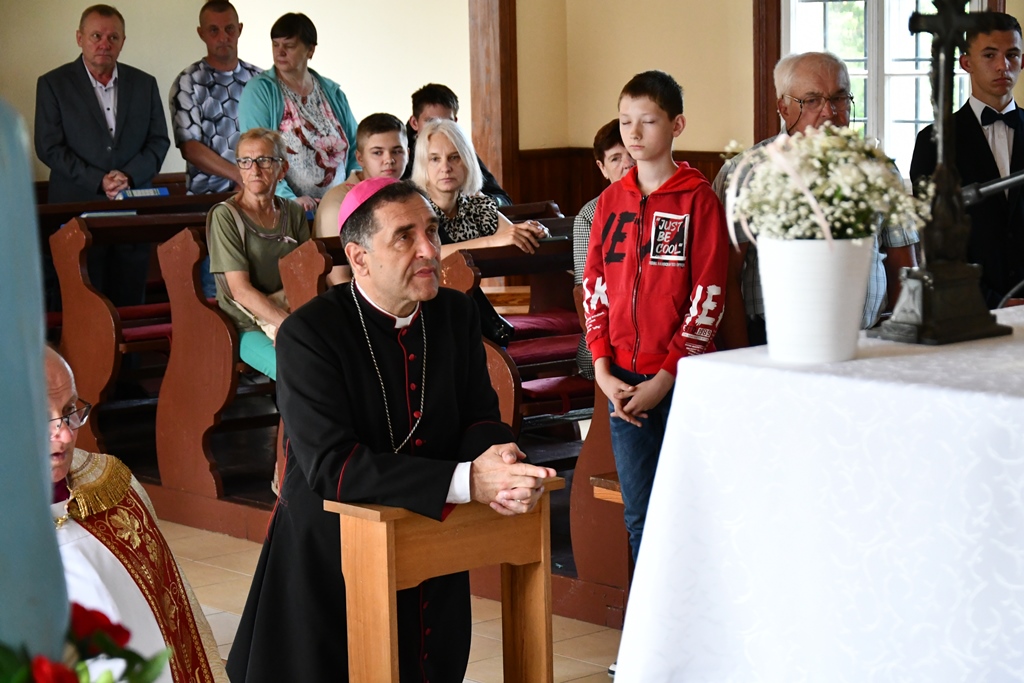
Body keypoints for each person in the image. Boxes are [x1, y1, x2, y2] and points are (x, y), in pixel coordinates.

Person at [226, 178, 556, 682]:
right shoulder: (309, 334)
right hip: (333, 552)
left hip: (431, 536)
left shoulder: (455, 313)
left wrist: (500, 460)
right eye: (405, 236)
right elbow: (332, 468)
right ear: (359, 257)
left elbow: (480, 417)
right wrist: (469, 480)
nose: (429, 250)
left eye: (432, 231)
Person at [582, 70, 729, 566]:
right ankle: (649, 617)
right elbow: (595, 288)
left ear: (676, 125)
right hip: (623, 385)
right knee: (640, 515)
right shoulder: (609, 202)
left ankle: (694, 610)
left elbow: (708, 295)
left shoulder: (697, 199)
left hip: (682, 380)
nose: (634, 133)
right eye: (626, 121)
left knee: (692, 512)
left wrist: (666, 377)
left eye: (648, 121)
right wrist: (603, 370)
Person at [713, 51, 919, 348]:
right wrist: (740, 359)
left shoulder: (879, 169)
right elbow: (725, 276)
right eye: (812, 100)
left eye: (839, 98)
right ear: (783, 107)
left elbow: (904, 267)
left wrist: (902, 345)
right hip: (774, 344)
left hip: (866, 342)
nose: (829, 112)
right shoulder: (746, 172)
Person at [45, 347, 227, 683]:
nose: (66, 434)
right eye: (43, 417)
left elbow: (172, 615)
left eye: (70, 411)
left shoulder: (112, 486)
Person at [35, 4, 170, 307]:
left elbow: (159, 141)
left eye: (113, 37)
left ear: (123, 42)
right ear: (79, 38)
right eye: (96, 36)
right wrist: (99, 180)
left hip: (132, 215)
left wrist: (128, 176)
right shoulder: (53, 84)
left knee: (130, 306)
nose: (104, 44)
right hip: (76, 215)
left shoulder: (144, 84)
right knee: (81, 309)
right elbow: (49, 146)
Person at [910, 11, 1024, 309]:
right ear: (966, 63)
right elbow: (933, 241)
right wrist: (995, 302)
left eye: (1012, 55)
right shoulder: (934, 141)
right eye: (990, 55)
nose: (1003, 66)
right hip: (966, 308)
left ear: (1022, 61)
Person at [169, 0, 262, 297]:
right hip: (209, 205)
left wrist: (253, 179)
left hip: (260, 204)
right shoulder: (188, 82)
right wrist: (238, 175)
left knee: (264, 286)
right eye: (214, 30)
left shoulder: (260, 81)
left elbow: (275, 139)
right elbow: (190, 147)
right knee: (217, 293)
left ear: (240, 30)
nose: (223, 37)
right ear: (201, 33)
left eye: (229, 29)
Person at [207, 128, 309, 380]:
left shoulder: (293, 213)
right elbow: (240, 290)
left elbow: (306, 277)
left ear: (282, 169)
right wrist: (286, 325)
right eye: (245, 161)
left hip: (292, 312)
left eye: (264, 160)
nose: (254, 169)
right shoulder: (225, 215)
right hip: (246, 324)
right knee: (299, 373)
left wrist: (297, 323)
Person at [237, 12, 358, 214]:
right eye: (275, 45)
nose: (280, 52)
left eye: (290, 46)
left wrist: (352, 191)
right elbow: (257, 154)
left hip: (339, 208)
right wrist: (290, 200)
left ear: (310, 50)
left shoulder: (332, 92)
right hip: (286, 210)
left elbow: (356, 146)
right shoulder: (259, 91)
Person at [411, 118, 547, 259]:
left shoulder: (477, 206)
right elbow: (430, 254)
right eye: (435, 159)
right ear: (423, 164)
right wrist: (492, 241)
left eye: (454, 157)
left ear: (467, 161)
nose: (445, 168)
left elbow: (514, 237)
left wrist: (535, 232)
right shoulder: (416, 209)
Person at [573, 119, 635, 380]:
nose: (627, 164)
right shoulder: (590, 214)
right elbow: (586, 290)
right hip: (605, 334)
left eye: (631, 154)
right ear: (602, 168)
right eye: (615, 158)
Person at [401, 82, 513, 206]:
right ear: (414, 123)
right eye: (435, 159)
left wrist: (485, 202)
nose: (440, 127)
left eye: (453, 158)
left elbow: (504, 201)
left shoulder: (459, 149)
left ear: (455, 122)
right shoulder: (399, 153)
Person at [313, 112, 409, 238]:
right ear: (360, 158)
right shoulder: (338, 202)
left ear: (408, 154)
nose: (389, 160)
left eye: (397, 151)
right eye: (377, 153)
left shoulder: (410, 196)